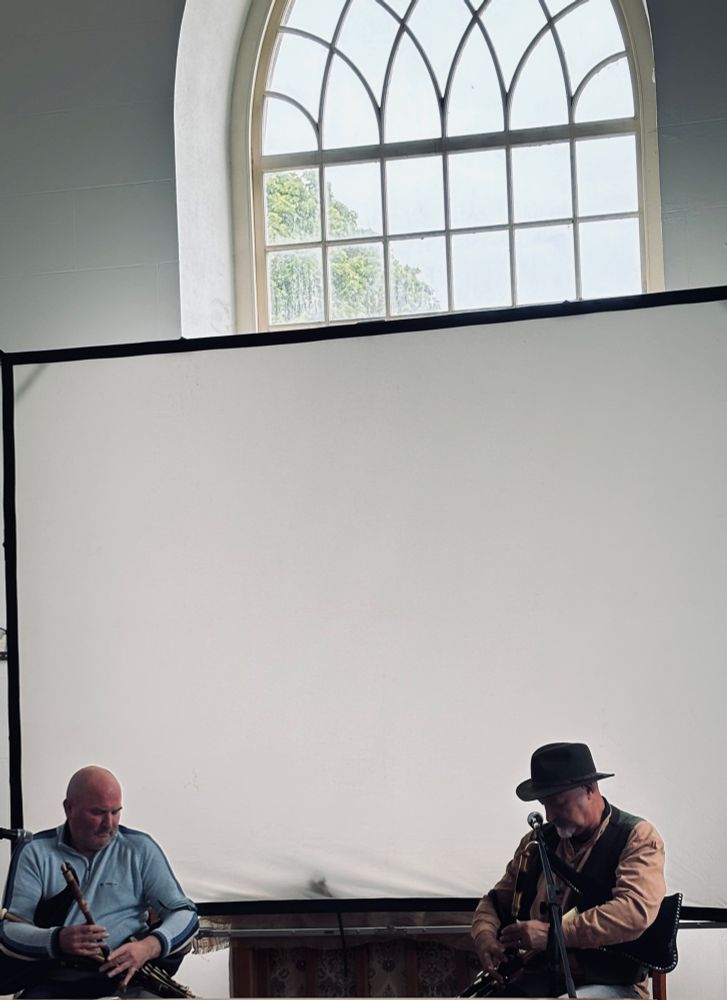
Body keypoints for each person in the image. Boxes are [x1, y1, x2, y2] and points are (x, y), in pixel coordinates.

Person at [470, 742, 666, 999]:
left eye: (558, 803)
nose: (549, 815)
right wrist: (485, 935)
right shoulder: (537, 841)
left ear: (589, 789)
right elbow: (496, 900)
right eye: (544, 804)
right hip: (539, 978)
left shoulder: (637, 836)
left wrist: (554, 936)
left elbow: (634, 911)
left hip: (612, 982)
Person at [0, 765, 199, 998]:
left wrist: (148, 947)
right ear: (69, 808)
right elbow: (9, 930)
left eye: (116, 812)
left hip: (130, 979)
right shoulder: (35, 852)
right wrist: (57, 940)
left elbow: (186, 914)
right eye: (98, 813)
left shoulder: (139, 848)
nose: (109, 824)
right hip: (57, 980)